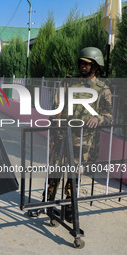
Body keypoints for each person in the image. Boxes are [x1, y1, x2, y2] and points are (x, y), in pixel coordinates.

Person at [29, 47, 113, 222]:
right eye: (81, 63)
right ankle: (46, 204)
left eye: (86, 64)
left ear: (96, 66)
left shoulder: (102, 89)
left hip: (83, 139)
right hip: (61, 134)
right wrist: (52, 133)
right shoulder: (68, 82)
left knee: (74, 174)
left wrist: (98, 119)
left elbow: (109, 116)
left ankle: (68, 207)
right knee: (55, 171)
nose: (82, 66)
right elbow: (56, 107)